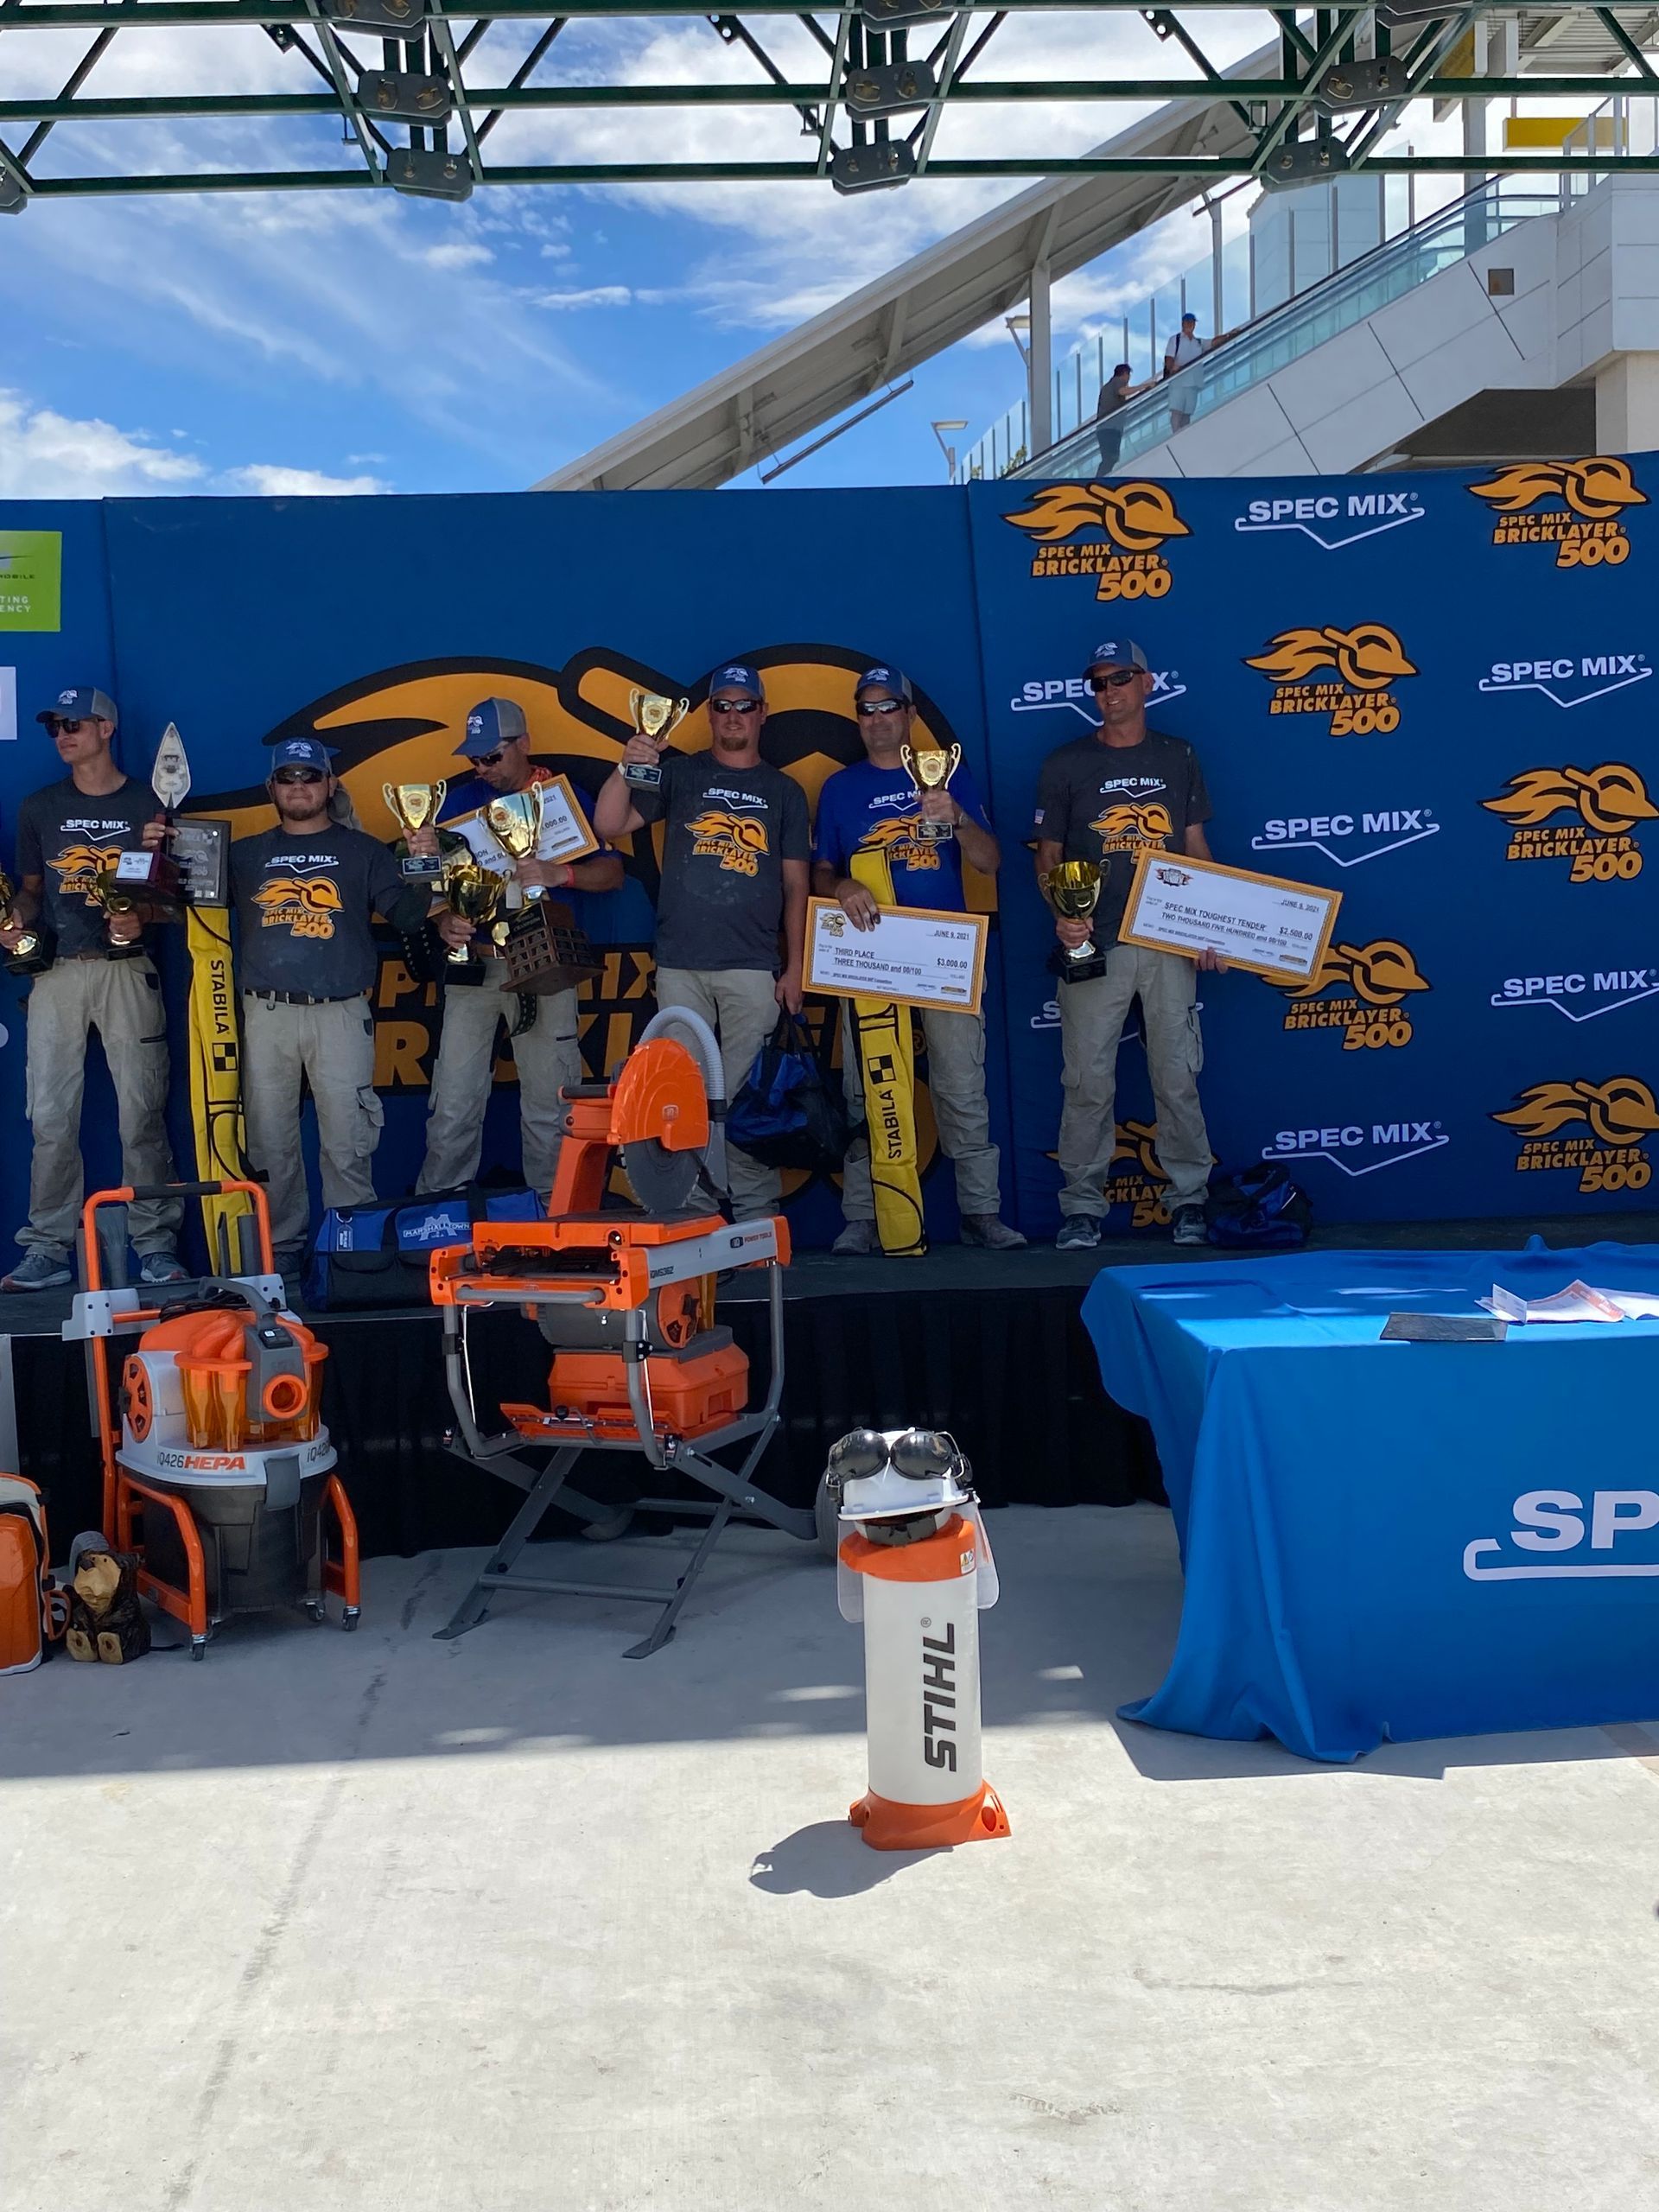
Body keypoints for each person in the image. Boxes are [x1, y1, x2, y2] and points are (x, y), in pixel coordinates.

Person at [814, 666, 1025, 1255]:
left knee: (961, 1083)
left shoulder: (947, 775)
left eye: (888, 708)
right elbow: (821, 869)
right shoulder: (840, 788)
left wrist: (956, 816)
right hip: (870, 953)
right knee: (867, 1086)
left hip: (941, 950)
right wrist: (842, 887)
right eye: (867, 710)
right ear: (858, 719)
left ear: (909, 715)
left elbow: (990, 861)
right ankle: (864, 1213)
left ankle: (981, 1211)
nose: (877, 720)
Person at [592, 660, 809, 1219]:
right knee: (682, 1102)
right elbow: (609, 825)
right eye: (723, 705)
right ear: (710, 715)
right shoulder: (682, 774)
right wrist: (627, 762)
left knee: (743, 1102)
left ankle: (757, 1224)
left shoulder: (783, 791)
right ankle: (690, 1221)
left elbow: (795, 886)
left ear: (763, 714)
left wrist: (795, 968)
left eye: (744, 705)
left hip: (753, 966)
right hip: (682, 964)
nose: (733, 715)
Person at [1032, 639, 1223, 1253]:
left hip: (1167, 940)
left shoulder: (1178, 754)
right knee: (1086, 1078)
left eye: (1120, 678)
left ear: (1147, 683)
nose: (1109, 691)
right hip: (1094, 943)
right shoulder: (1065, 763)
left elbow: (1194, 847)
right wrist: (1065, 915)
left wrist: (1209, 926)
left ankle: (1190, 1199)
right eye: (1098, 682)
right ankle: (1083, 1207)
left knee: (1176, 1075)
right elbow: (1051, 857)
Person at [0, 687, 187, 1292]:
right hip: (56, 973)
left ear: (106, 728)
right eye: (54, 724)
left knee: (142, 1113)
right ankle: (48, 1249)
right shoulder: (39, 806)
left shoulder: (150, 803)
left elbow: (179, 901)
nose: (62, 733)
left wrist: (141, 918)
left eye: (73, 723)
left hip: (128, 969)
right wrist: (17, 920)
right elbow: (31, 888)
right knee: (51, 1117)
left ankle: (156, 1245)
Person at [227, 738, 437, 1271]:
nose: (300, 787)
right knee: (270, 1143)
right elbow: (180, 901)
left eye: (311, 777)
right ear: (271, 787)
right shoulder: (245, 854)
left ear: (330, 784)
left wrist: (424, 862)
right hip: (265, 1011)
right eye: (288, 778)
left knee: (347, 1139)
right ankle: (282, 1252)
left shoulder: (364, 851)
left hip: (341, 1010)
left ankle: (352, 1251)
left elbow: (410, 918)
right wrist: (157, 852)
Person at [410, 697, 622, 1198]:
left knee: (551, 1103)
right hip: (476, 969)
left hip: (545, 965)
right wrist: (444, 920)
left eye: (493, 757)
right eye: (475, 759)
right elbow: (427, 890)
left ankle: (557, 1216)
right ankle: (439, 1217)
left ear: (524, 744)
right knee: (454, 1103)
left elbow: (613, 874)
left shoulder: (562, 799)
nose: (482, 769)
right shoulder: (458, 803)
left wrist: (560, 872)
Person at [1163, 311, 1206, 431]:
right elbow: (1169, 358)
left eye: (1192, 322)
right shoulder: (1175, 339)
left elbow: (1212, 342)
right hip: (1179, 383)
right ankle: (1176, 434)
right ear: (1183, 323)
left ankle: (1184, 434)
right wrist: (1173, 367)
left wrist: (1229, 335)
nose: (1190, 325)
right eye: (1188, 322)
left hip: (1192, 383)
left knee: (1187, 413)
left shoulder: (1198, 342)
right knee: (1177, 411)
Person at [1095, 362, 1135, 474]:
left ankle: (1101, 479)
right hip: (1110, 429)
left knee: (1110, 458)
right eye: (1128, 376)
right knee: (1111, 458)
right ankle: (1099, 480)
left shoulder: (1107, 387)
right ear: (1124, 374)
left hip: (1106, 429)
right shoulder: (1117, 382)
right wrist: (1143, 387)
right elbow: (1122, 391)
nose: (1128, 380)